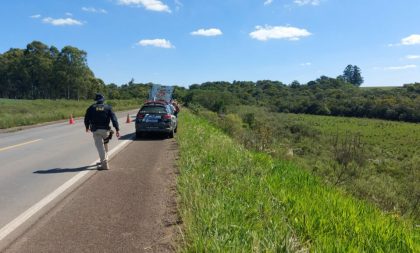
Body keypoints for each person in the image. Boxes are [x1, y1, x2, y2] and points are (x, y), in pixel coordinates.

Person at [84, 93, 120, 170]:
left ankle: (104, 164)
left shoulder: (91, 108)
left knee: (100, 147)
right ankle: (105, 159)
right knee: (105, 144)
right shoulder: (108, 107)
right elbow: (114, 119)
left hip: (96, 130)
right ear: (103, 100)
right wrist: (117, 129)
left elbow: (86, 118)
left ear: (96, 100)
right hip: (105, 130)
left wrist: (87, 127)